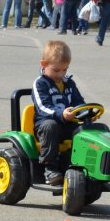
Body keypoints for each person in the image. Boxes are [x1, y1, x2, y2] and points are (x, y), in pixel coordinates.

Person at [31, 40, 85, 186]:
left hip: (67, 124)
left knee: (92, 129)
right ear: (44, 64)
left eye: (64, 70)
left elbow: (79, 102)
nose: (60, 74)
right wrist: (61, 114)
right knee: (51, 126)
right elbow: (43, 107)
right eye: (56, 70)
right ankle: (50, 168)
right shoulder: (40, 83)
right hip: (45, 125)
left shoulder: (69, 83)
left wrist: (86, 112)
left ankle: (79, 164)